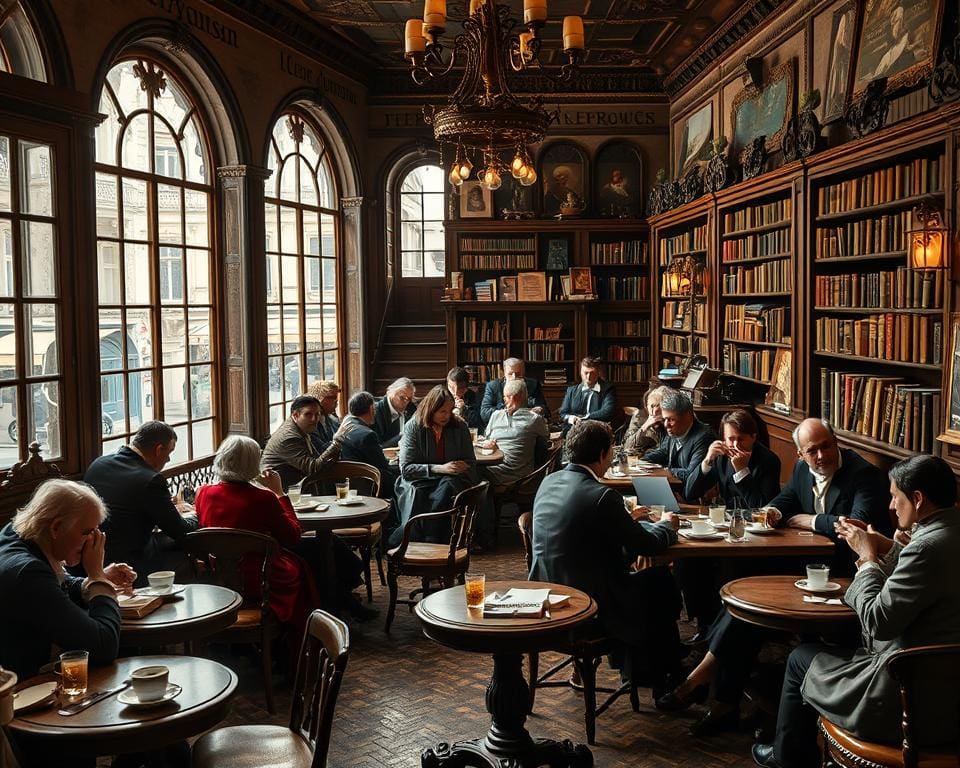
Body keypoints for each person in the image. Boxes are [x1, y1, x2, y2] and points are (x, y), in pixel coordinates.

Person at [752, 455, 960, 768]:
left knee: (799, 658)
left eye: (895, 496)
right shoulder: (948, 533)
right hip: (950, 692)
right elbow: (932, 577)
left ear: (917, 499)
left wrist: (867, 560)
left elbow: (878, 622)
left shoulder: (926, 546)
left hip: (911, 700)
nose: (891, 506)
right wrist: (888, 546)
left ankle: (787, 757)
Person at [529, 420, 683, 691]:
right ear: (603, 454)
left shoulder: (548, 481)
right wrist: (667, 527)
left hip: (547, 592)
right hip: (589, 603)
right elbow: (645, 545)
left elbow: (585, 537)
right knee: (659, 581)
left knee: (644, 582)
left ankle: (640, 665)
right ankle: (659, 672)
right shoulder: (602, 496)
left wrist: (628, 522)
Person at [0, 479, 133, 680]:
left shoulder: (16, 533)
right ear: (56, 527)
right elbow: (104, 647)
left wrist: (89, 583)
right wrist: (97, 577)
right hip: (25, 691)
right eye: (87, 532)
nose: (93, 541)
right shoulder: (27, 573)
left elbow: (56, 584)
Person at [196, 436, 320, 647]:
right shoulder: (263, 498)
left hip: (219, 578)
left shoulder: (203, 493)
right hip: (262, 579)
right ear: (254, 463)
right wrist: (279, 492)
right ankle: (297, 640)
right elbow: (292, 536)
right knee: (303, 563)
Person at [84, 420, 198, 585]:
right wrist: (200, 514)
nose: (168, 458)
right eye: (169, 452)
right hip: (132, 561)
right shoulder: (150, 480)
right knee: (184, 547)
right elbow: (179, 529)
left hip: (93, 557)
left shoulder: (98, 464)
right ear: (159, 450)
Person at [761, 418, 893, 552]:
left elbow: (857, 525)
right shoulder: (801, 468)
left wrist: (813, 521)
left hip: (851, 560)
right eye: (812, 451)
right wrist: (771, 512)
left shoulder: (864, 473)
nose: (821, 456)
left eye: (826, 446)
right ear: (801, 455)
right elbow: (786, 498)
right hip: (814, 551)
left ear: (835, 442)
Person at [390, 385, 479, 547]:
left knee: (447, 486)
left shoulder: (459, 427)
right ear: (431, 409)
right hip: (419, 481)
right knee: (418, 494)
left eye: (449, 411)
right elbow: (407, 469)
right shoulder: (413, 427)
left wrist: (460, 468)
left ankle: (422, 538)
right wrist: (440, 468)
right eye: (442, 412)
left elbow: (471, 463)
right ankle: (430, 541)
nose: (447, 416)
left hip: (450, 480)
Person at [685, 409, 781, 507]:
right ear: (724, 440)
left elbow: (762, 507)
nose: (736, 445)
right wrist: (707, 461)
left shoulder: (769, 461)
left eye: (741, 439)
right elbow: (690, 494)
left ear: (753, 437)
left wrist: (742, 471)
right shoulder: (721, 457)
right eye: (731, 439)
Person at [260, 394, 346, 491]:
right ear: (295, 415)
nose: (314, 419)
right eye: (308, 414)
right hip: (283, 491)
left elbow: (318, 457)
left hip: (298, 485)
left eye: (317, 414)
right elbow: (312, 468)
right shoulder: (289, 437)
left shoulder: (301, 427)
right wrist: (336, 443)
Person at [479, 379, 550, 486]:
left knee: (469, 473)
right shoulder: (535, 419)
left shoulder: (534, 419)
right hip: (496, 467)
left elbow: (487, 439)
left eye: (505, 397)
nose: (504, 400)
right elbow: (546, 435)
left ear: (512, 398)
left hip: (512, 476)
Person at [642, 390, 716, 490]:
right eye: (664, 419)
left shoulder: (704, 437)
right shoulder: (675, 429)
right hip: (672, 488)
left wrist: (667, 471)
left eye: (671, 419)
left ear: (688, 416)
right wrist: (640, 462)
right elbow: (663, 452)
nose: (666, 424)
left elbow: (692, 474)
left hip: (691, 496)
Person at [338, 390, 399, 500]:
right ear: (371, 409)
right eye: (374, 409)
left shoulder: (347, 421)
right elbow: (383, 465)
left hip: (348, 478)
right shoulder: (367, 434)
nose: (375, 413)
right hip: (366, 483)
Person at [479, 358, 547, 427]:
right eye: (510, 374)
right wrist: (506, 410)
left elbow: (544, 409)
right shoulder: (493, 386)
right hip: (500, 427)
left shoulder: (533, 385)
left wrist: (540, 409)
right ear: (504, 373)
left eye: (518, 374)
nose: (514, 377)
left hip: (526, 426)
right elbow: (484, 413)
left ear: (523, 373)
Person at [557, 356, 617, 435]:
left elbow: (608, 411)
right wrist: (572, 419)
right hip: (573, 431)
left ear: (598, 373)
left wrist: (585, 418)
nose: (588, 377)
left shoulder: (607, 389)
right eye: (585, 373)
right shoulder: (571, 390)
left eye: (592, 373)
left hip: (597, 431)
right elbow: (563, 413)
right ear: (581, 373)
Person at [622, 384, 671, 455]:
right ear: (646, 405)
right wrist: (644, 427)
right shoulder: (639, 417)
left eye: (659, 406)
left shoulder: (671, 420)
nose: (654, 411)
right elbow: (627, 447)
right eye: (651, 405)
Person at [373, 377, 417, 448]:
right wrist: (403, 435)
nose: (406, 402)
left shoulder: (411, 408)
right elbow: (377, 446)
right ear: (389, 392)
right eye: (402, 398)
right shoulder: (375, 411)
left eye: (409, 399)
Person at [304, 379, 341, 454]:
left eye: (336, 397)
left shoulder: (331, 418)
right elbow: (322, 450)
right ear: (319, 399)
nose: (336, 401)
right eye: (332, 397)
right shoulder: (310, 423)